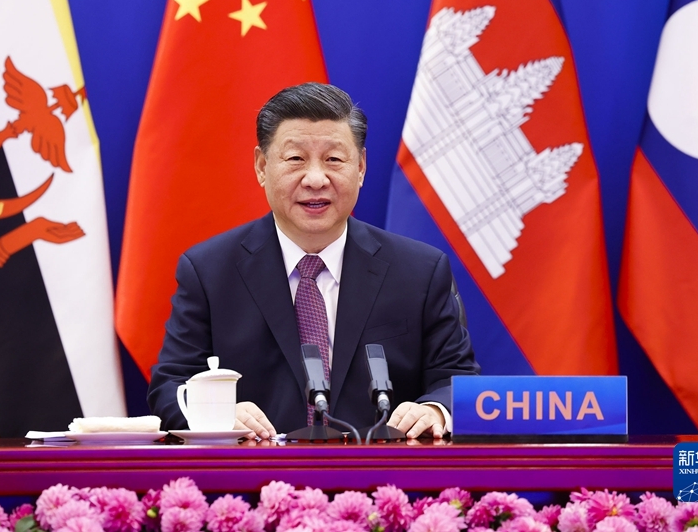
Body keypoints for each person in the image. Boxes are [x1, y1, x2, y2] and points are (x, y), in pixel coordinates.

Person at [147, 82, 479, 439]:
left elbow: (457, 380)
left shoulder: (419, 271)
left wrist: (436, 409)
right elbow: (170, 386)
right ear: (262, 166)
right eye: (296, 159)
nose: (316, 179)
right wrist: (215, 414)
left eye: (334, 159)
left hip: (381, 470)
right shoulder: (210, 271)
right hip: (257, 471)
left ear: (361, 167)